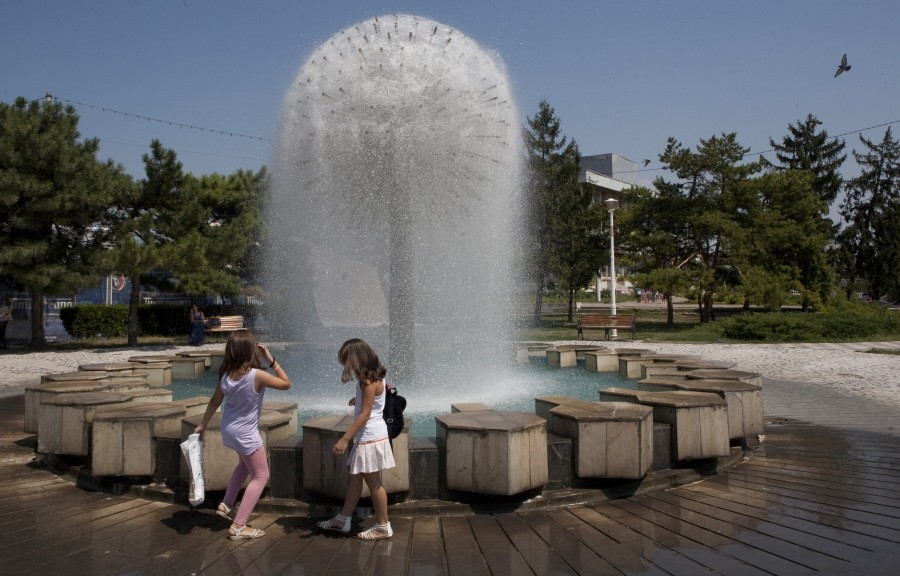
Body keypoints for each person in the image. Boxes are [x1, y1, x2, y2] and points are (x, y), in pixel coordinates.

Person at [194, 329, 291, 540]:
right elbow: (286, 383)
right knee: (261, 475)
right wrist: (271, 360)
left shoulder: (226, 375)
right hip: (246, 433)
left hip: (228, 429)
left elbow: (214, 401)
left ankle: (226, 504)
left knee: (244, 465)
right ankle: (238, 525)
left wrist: (203, 424)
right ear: (251, 350)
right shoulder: (257, 375)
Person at [316, 338, 395, 540]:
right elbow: (374, 400)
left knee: (374, 482)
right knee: (354, 478)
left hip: (369, 435)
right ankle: (343, 519)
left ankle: (383, 526)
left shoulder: (367, 380)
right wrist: (358, 399)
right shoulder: (374, 375)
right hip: (371, 434)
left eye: (346, 362)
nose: (346, 367)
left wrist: (344, 438)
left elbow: (365, 414)